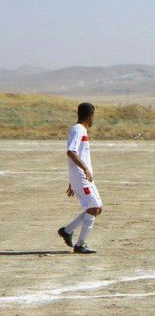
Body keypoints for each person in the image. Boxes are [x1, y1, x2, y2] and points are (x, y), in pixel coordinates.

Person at [57, 103, 103, 254]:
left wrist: (73, 180)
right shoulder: (77, 130)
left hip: (81, 177)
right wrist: (83, 170)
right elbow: (71, 152)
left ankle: (68, 230)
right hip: (82, 176)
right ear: (91, 116)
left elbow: (77, 155)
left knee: (97, 208)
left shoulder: (81, 130)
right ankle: (80, 245)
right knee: (94, 207)